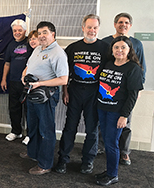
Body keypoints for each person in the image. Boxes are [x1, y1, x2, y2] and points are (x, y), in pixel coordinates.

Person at [55, 14, 109, 174]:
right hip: (75, 92)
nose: (92, 30)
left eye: (95, 27)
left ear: (98, 28)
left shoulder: (106, 48)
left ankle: (88, 161)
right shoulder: (72, 48)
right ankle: (63, 160)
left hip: (94, 93)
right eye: (89, 27)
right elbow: (65, 73)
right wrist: (65, 91)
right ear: (83, 27)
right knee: (70, 127)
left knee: (92, 129)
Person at [19, 21, 68, 175]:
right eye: (39, 33)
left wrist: (40, 84)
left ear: (53, 34)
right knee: (32, 126)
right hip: (32, 93)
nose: (41, 36)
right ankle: (33, 153)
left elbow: (63, 79)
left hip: (46, 96)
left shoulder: (58, 53)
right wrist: (23, 75)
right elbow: (28, 66)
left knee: (46, 131)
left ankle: (45, 164)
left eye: (44, 33)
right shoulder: (38, 49)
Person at [95, 36, 143, 186]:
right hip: (102, 108)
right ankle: (109, 171)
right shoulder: (109, 64)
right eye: (116, 47)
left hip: (116, 112)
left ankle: (113, 174)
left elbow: (133, 96)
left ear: (129, 50)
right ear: (112, 49)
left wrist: (124, 116)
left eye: (123, 47)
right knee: (107, 141)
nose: (119, 50)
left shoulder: (133, 68)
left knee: (111, 143)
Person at [100, 12, 146, 165]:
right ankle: (103, 147)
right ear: (115, 24)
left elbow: (141, 67)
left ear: (130, 26)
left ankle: (124, 152)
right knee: (105, 123)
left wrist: (138, 89)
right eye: (120, 22)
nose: (123, 25)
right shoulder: (105, 42)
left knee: (124, 121)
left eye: (126, 22)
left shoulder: (137, 44)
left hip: (127, 91)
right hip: (107, 91)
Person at [1, 19, 33, 144]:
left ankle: (30, 134)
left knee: (29, 110)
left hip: (27, 83)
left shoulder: (30, 43)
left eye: (20, 30)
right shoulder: (10, 45)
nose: (17, 32)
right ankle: (16, 131)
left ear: (25, 31)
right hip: (13, 82)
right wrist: (4, 79)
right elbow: (7, 63)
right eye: (15, 30)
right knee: (13, 108)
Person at [21, 30, 39, 145]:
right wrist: (23, 77)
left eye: (34, 38)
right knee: (29, 114)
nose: (32, 41)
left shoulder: (43, 52)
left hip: (41, 89)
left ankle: (36, 138)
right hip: (30, 88)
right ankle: (30, 135)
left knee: (38, 115)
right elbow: (27, 68)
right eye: (30, 39)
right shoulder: (32, 54)